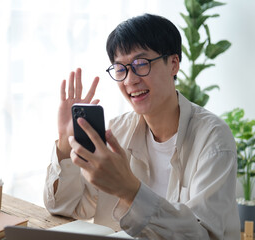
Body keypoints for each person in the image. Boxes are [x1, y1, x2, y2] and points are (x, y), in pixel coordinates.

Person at [43, 13, 240, 239]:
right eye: (120, 68)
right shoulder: (117, 132)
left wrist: (129, 190)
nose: (130, 80)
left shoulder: (213, 139)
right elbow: (67, 208)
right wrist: (65, 143)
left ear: (173, 64)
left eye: (140, 64)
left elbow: (203, 236)